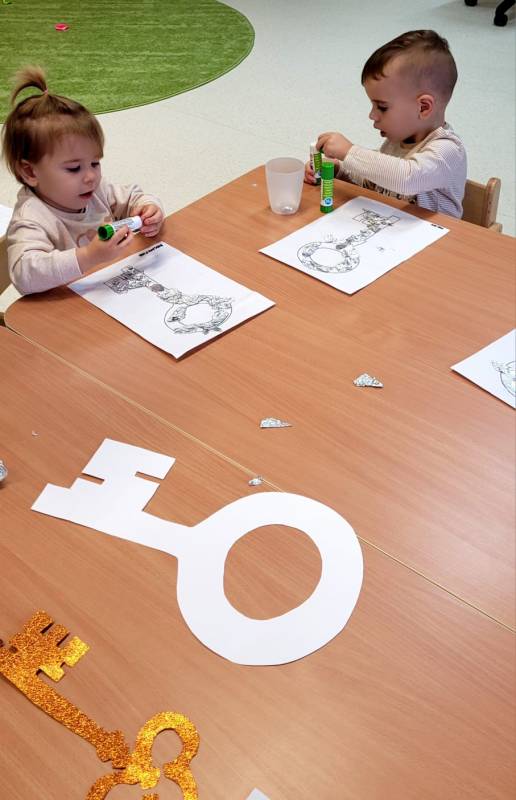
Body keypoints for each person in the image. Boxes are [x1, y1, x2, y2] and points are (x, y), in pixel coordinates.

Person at [1, 66, 164, 294]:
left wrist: (149, 209)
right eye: (74, 168)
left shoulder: (96, 190)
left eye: (95, 163)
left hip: (111, 290)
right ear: (30, 172)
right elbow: (25, 275)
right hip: (64, 307)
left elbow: (133, 197)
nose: (91, 176)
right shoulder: (31, 218)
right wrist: (88, 256)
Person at [306, 30, 467, 219]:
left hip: (441, 236)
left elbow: (407, 178)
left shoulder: (448, 150)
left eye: (382, 107)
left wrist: (349, 152)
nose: (372, 115)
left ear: (423, 107)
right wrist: (339, 170)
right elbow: (375, 180)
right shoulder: (396, 141)